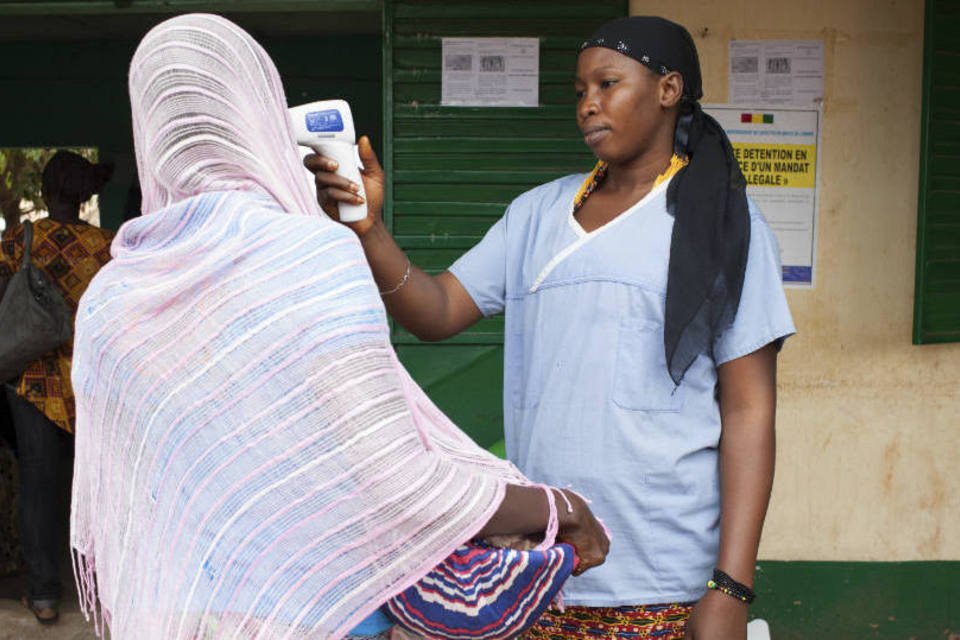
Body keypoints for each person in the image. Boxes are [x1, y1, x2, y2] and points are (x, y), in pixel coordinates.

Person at [68, 14, 608, 640]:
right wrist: (561, 508)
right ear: (260, 111)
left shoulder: (110, 295)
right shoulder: (312, 258)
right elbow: (403, 485)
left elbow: (113, 520)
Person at [307, 15, 795, 640]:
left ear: (669, 89)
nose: (588, 104)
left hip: (663, 576)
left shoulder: (725, 225)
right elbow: (436, 310)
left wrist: (731, 585)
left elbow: (751, 412)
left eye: (608, 84)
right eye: (579, 90)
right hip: (542, 566)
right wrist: (368, 229)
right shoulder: (535, 214)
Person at [0, 150, 113, 625]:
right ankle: (102, 586)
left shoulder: (17, 239)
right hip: (90, 382)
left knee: (39, 484)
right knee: (98, 487)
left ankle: (45, 592)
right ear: (85, 194)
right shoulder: (108, 248)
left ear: (45, 191)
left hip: (33, 381)